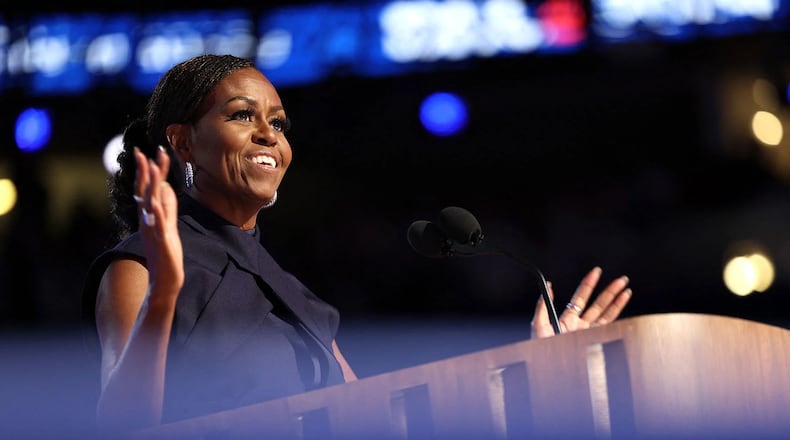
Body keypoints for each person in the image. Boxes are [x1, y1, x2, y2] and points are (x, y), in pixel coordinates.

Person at [81, 54, 632, 434]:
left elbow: (377, 417)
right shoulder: (140, 270)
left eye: (278, 121)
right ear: (182, 142)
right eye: (241, 115)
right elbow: (121, 427)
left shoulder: (290, 291)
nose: (270, 134)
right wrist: (167, 292)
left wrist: (536, 366)